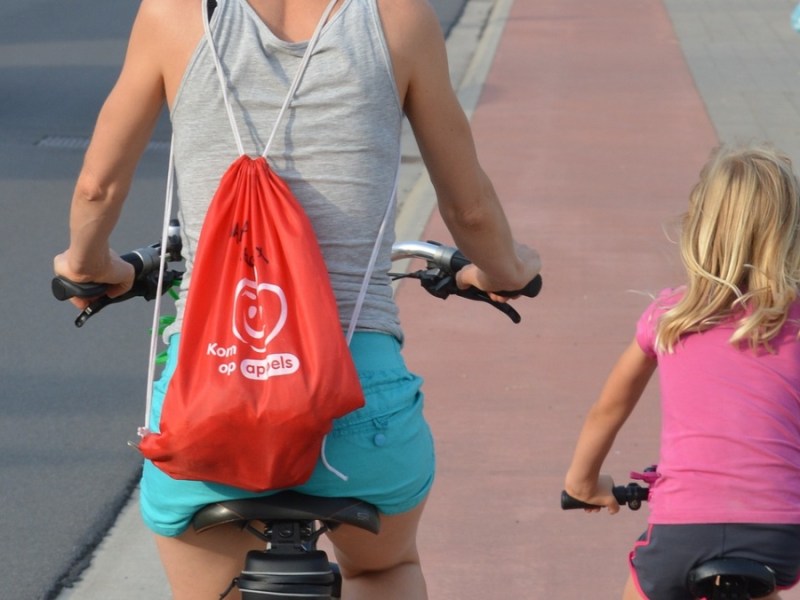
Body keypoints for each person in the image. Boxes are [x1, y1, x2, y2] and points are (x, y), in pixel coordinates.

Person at [52, 0, 541, 598]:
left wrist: (88, 266)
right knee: (384, 568)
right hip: (358, 405)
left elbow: (97, 186)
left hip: (213, 394)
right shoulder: (399, 20)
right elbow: (467, 207)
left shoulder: (171, 14)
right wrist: (506, 269)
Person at [563, 144, 800, 600]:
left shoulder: (669, 316)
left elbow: (608, 410)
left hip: (681, 533)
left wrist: (583, 484)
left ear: (699, 228)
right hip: (781, 535)